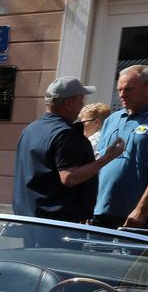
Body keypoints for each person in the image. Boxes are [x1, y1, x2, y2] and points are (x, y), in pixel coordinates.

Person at [12, 77, 124, 222]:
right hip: (56, 223)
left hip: (27, 218)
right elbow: (69, 178)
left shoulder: (30, 129)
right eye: (81, 100)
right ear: (69, 103)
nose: (82, 105)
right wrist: (107, 158)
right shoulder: (65, 134)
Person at [92, 65, 148, 229]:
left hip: (133, 215)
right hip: (99, 210)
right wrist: (87, 205)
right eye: (119, 90)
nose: (122, 95)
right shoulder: (112, 119)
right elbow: (98, 162)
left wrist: (142, 209)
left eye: (128, 89)